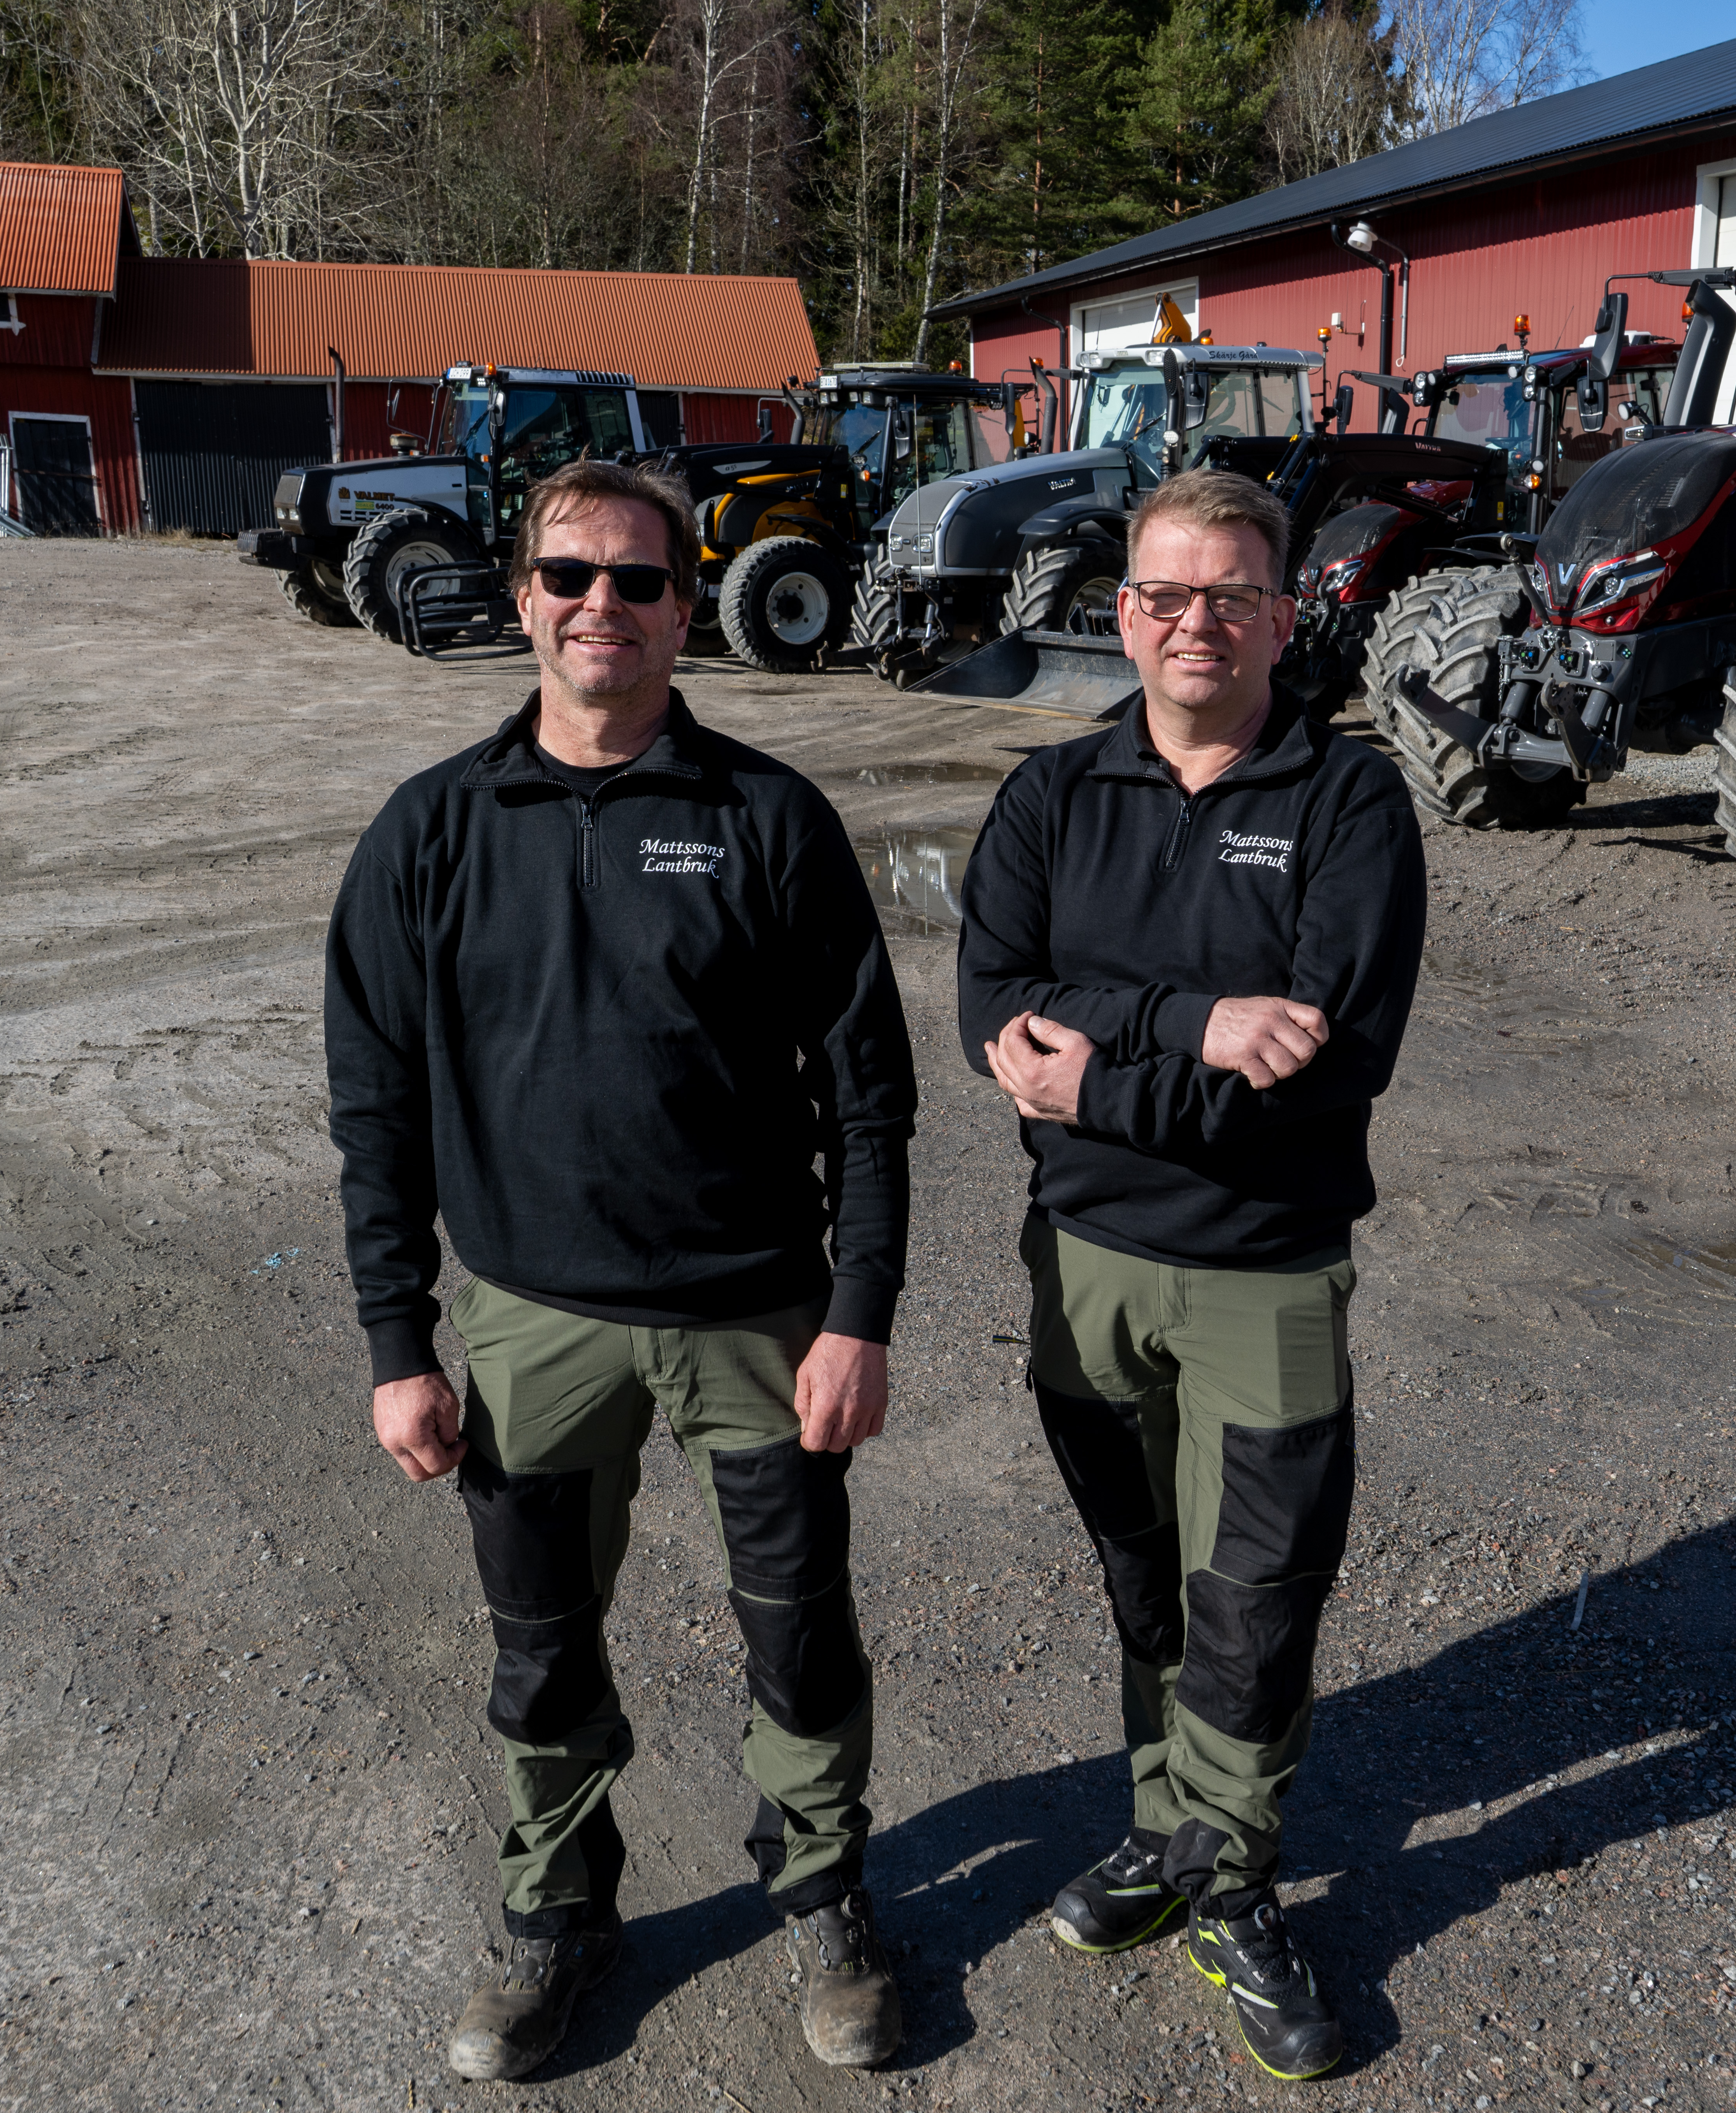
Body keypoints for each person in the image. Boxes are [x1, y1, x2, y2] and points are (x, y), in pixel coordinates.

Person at [325, 458, 916, 2081]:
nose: (605, 605)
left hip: (755, 1318)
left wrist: (858, 1312)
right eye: (571, 575)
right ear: (523, 597)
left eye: (640, 580)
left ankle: (821, 1894)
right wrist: (397, 1340)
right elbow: (374, 1105)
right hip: (534, 1324)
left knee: (799, 1629)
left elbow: (868, 1096)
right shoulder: (433, 830)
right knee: (539, 1644)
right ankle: (556, 1911)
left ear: (683, 609)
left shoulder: (767, 819)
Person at [954, 468, 1427, 2082]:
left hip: (1261, 1276)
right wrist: (1187, 1025)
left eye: (1232, 594)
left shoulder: (1347, 805)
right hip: (1081, 1267)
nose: (1195, 623)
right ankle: (1166, 1828)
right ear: (1122, 613)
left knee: (1256, 1596)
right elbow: (994, 1008)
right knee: (1145, 1575)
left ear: (1283, 616)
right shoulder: (1052, 793)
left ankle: (1232, 1876)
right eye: (1166, 594)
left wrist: (1094, 1071)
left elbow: (1323, 1068)